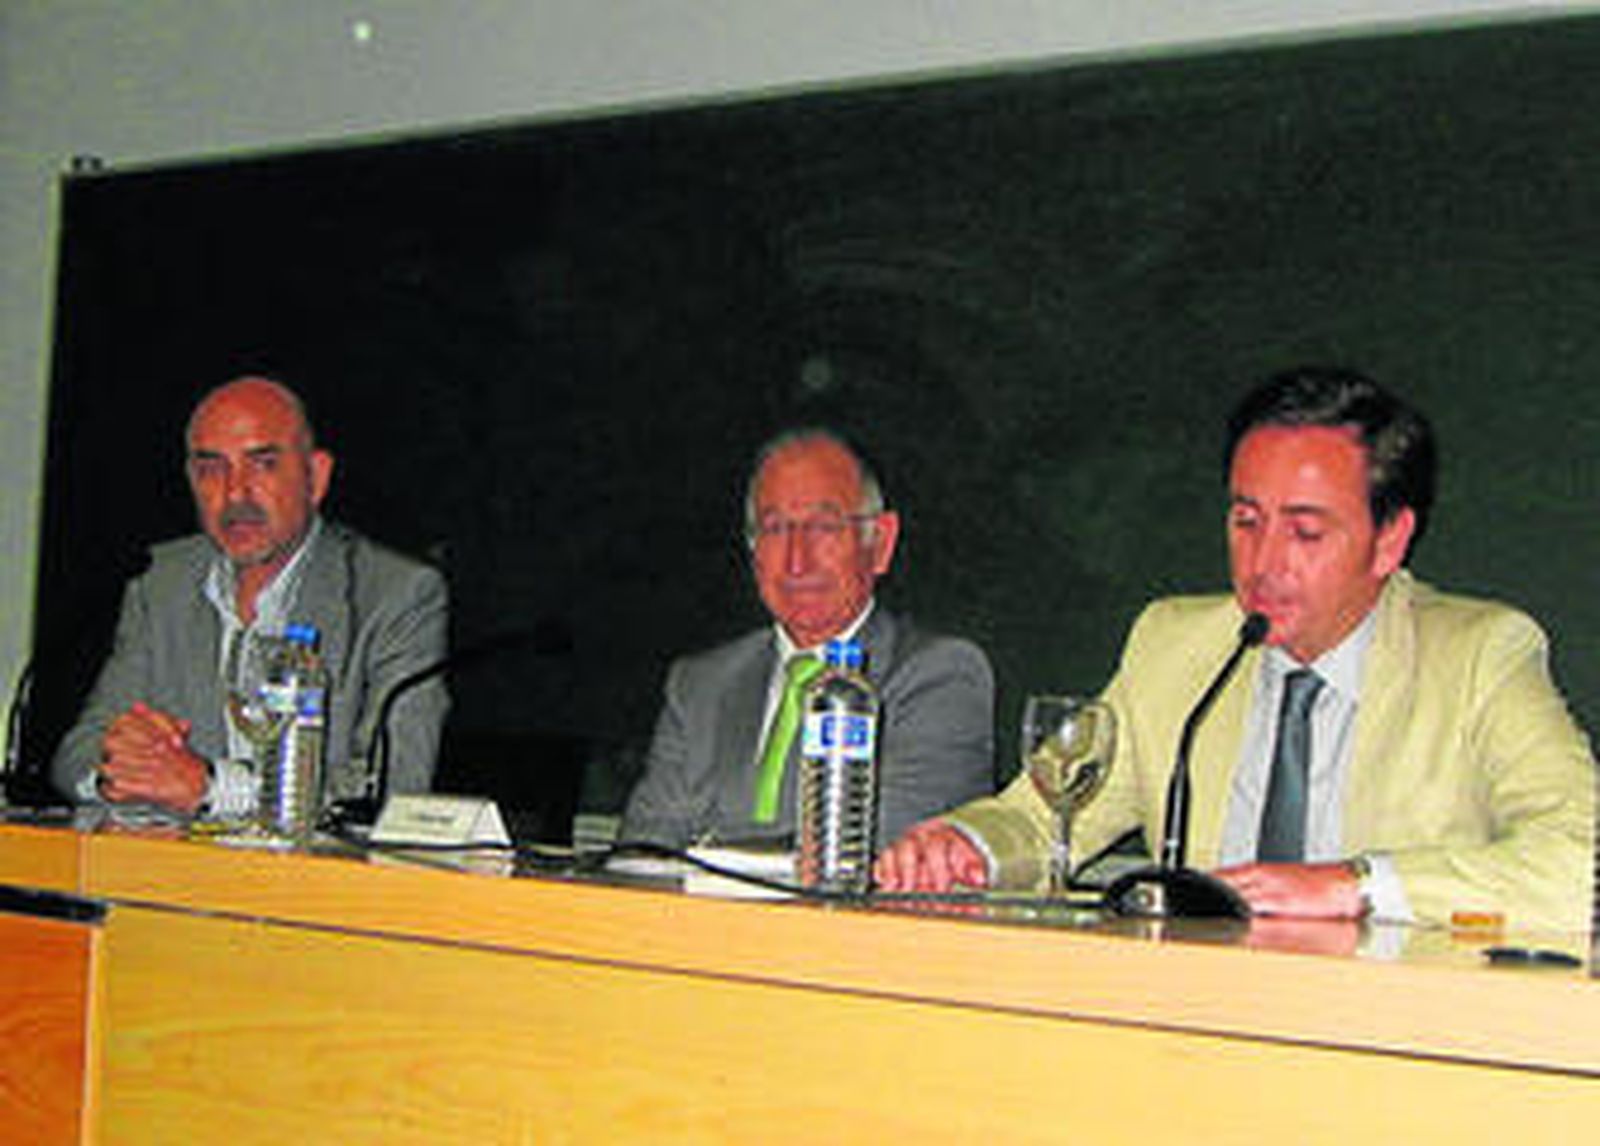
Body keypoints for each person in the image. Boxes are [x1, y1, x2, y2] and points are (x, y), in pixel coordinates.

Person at [877, 367, 1596, 931]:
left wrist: (1358, 887)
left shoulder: (1477, 658)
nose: (1264, 563)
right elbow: (1040, 819)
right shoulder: (1172, 648)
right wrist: (968, 846)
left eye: (1306, 532)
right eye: (1247, 521)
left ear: (1389, 540)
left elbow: (1582, 861)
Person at [51, 375, 449, 819]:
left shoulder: (393, 595)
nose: (235, 493)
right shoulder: (160, 583)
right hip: (166, 861)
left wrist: (213, 787)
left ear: (316, 478)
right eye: (211, 469)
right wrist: (119, 772)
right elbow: (77, 754)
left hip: (310, 865)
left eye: (263, 465)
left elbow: (393, 785)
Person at [620, 428, 994, 849]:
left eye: (824, 526)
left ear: (880, 543)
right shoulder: (699, 686)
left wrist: (707, 850)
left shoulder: (940, 678)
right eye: (775, 528)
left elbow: (876, 850)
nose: (797, 561)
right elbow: (642, 852)